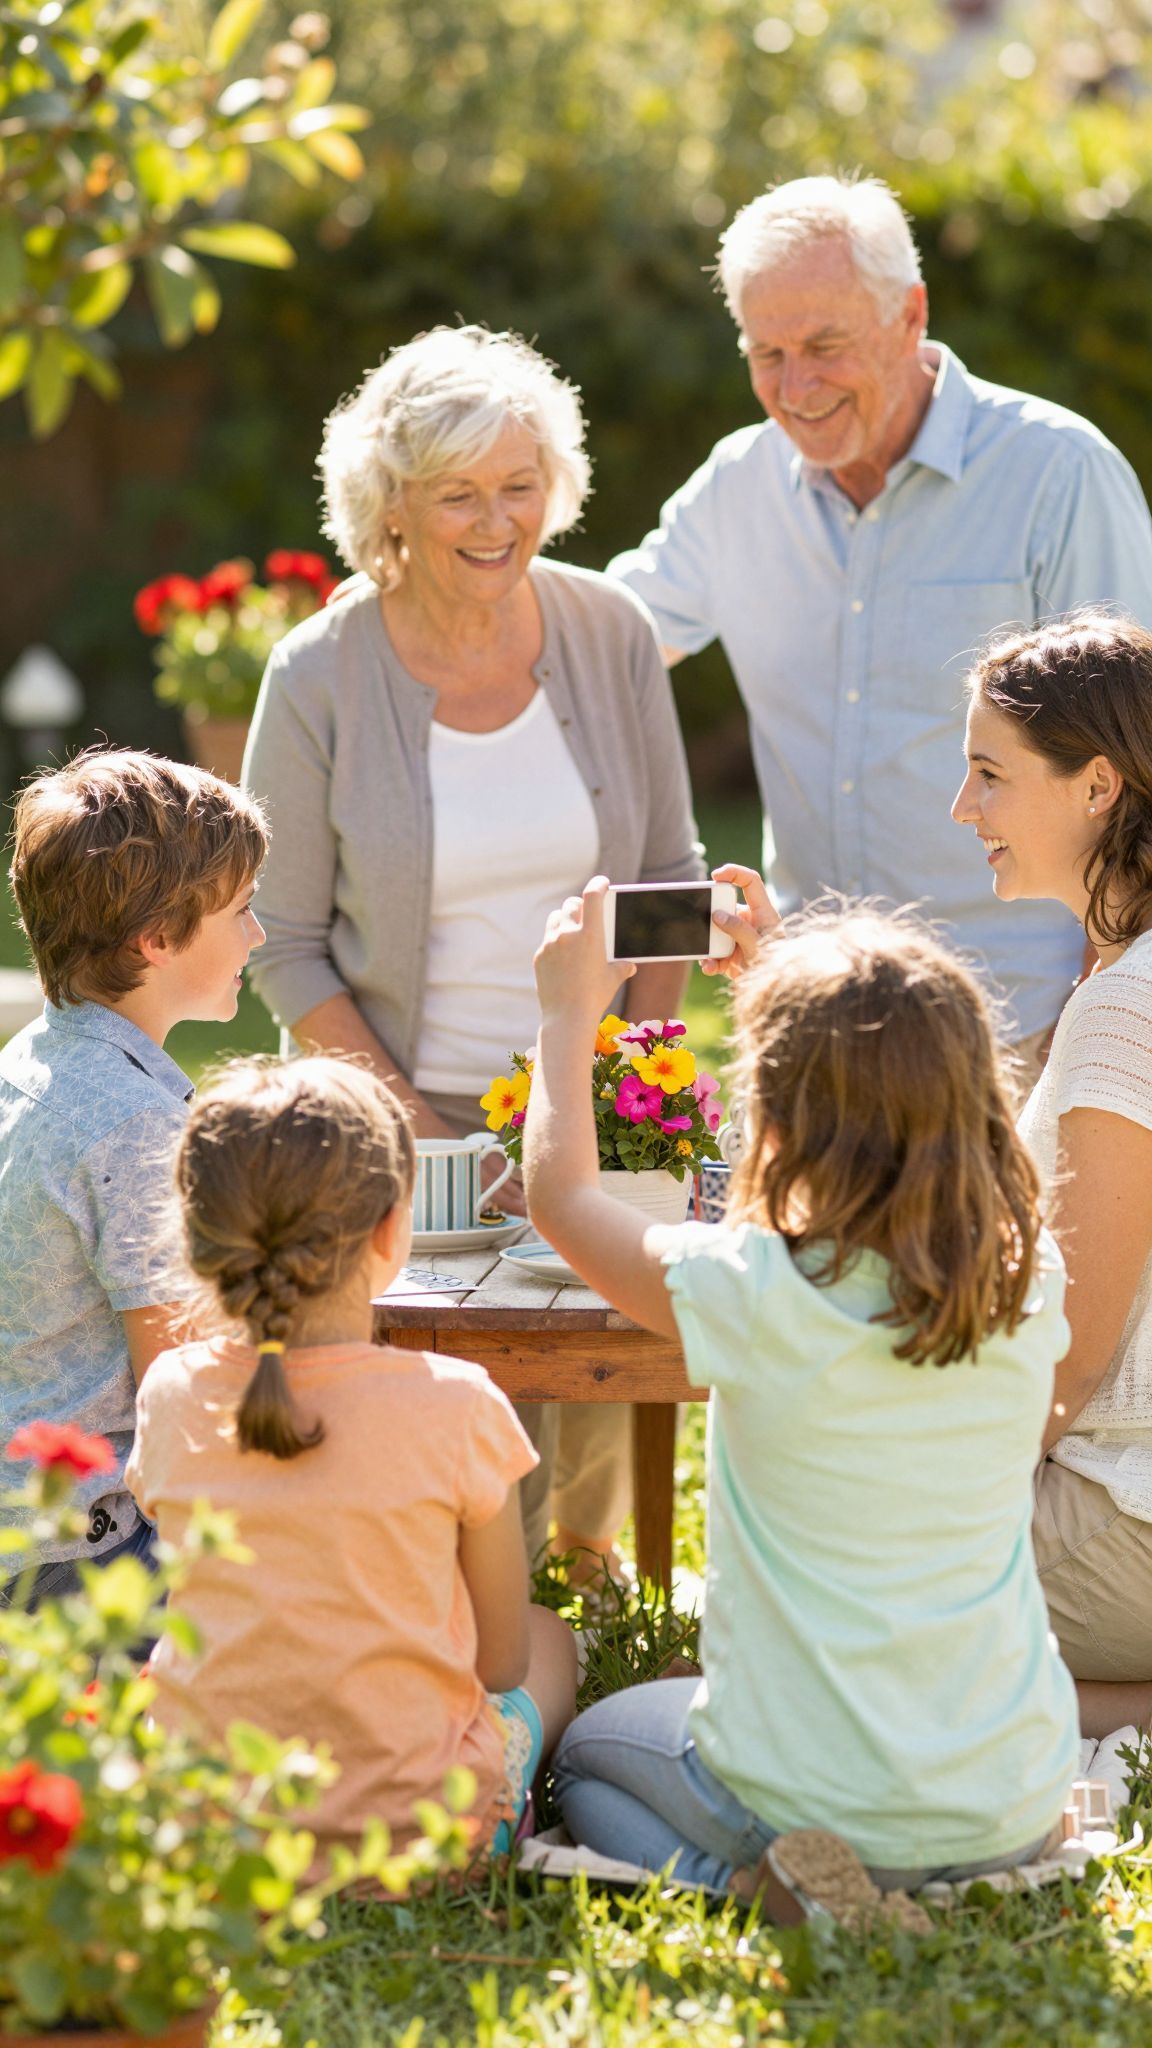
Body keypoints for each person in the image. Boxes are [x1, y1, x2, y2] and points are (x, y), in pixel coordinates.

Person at [521, 875, 1078, 1912]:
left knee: (591, 1752)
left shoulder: (754, 1289)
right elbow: (864, 1099)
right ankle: (956, 1871)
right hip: (1010, 1790)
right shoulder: (1023, 1275)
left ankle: (759, 1885)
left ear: (780, 1112)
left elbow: (562, 1198)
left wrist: (565, 1015)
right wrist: (776, 984)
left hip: (808, 1798)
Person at [243, 323, 704, 1574]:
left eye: (520, 485)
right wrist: (422, 1133)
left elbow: (669, 878)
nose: (498, 520)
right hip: (403, 1109)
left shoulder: (606, 628)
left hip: (595, 1093)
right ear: (391, 503)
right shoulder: (320, 673)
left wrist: (625, 1082)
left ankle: (597, 1598)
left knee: (604, 1389)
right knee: (436, 1428)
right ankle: (451, 1632)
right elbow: (280, 942)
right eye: (459, 493)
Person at [610, 173, 1152, 1075]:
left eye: (825, 344)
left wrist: (1088, 1029)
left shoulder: (1058, 474)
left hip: (1021, 1031)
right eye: (766, 353)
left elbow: (1136, 767)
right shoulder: (737, 485)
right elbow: (609, 634)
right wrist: (428, 599)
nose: (796, 386)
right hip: (813, 1027)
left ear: (910, 314)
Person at [125, 1056, 577, 1860]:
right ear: (390, 1231)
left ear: (198, 1240)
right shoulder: (460, 1402)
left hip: (208, 1839)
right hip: (419, 1841)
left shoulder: (170, 1392)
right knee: (551, 1638)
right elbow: (502, 1662)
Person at [0, 749, 268, 1604]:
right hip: (92, 1560)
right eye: (242, 911)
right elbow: (181, 1394)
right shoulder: (137, 1125)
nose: (257, 937)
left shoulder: (33, 1061)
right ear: (155, 939)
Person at [952, 610, 1152, 1739]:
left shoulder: (1127, 1006)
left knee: (849, 1607)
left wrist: (939, 1485)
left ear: (1098, 787)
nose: (962, 807)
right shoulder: (1125, 978)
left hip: (1127, 1517)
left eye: (989, 773)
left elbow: (1072, 1356)